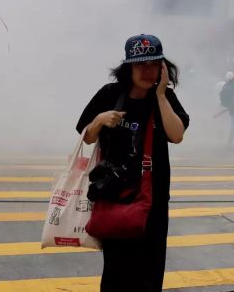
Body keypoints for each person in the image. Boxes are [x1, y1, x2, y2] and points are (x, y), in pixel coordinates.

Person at [76, 34, 189, 292]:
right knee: (116, 271)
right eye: (141, 65)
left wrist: (160, 95)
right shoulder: (110, 94)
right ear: (129, 67)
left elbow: (177, 135)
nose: (147, 72)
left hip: (153, 201)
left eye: (153, 65)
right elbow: (87, 137)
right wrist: (100, 120)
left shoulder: (166, 98)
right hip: (113, 196)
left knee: (149, 274)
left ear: (162, 67)